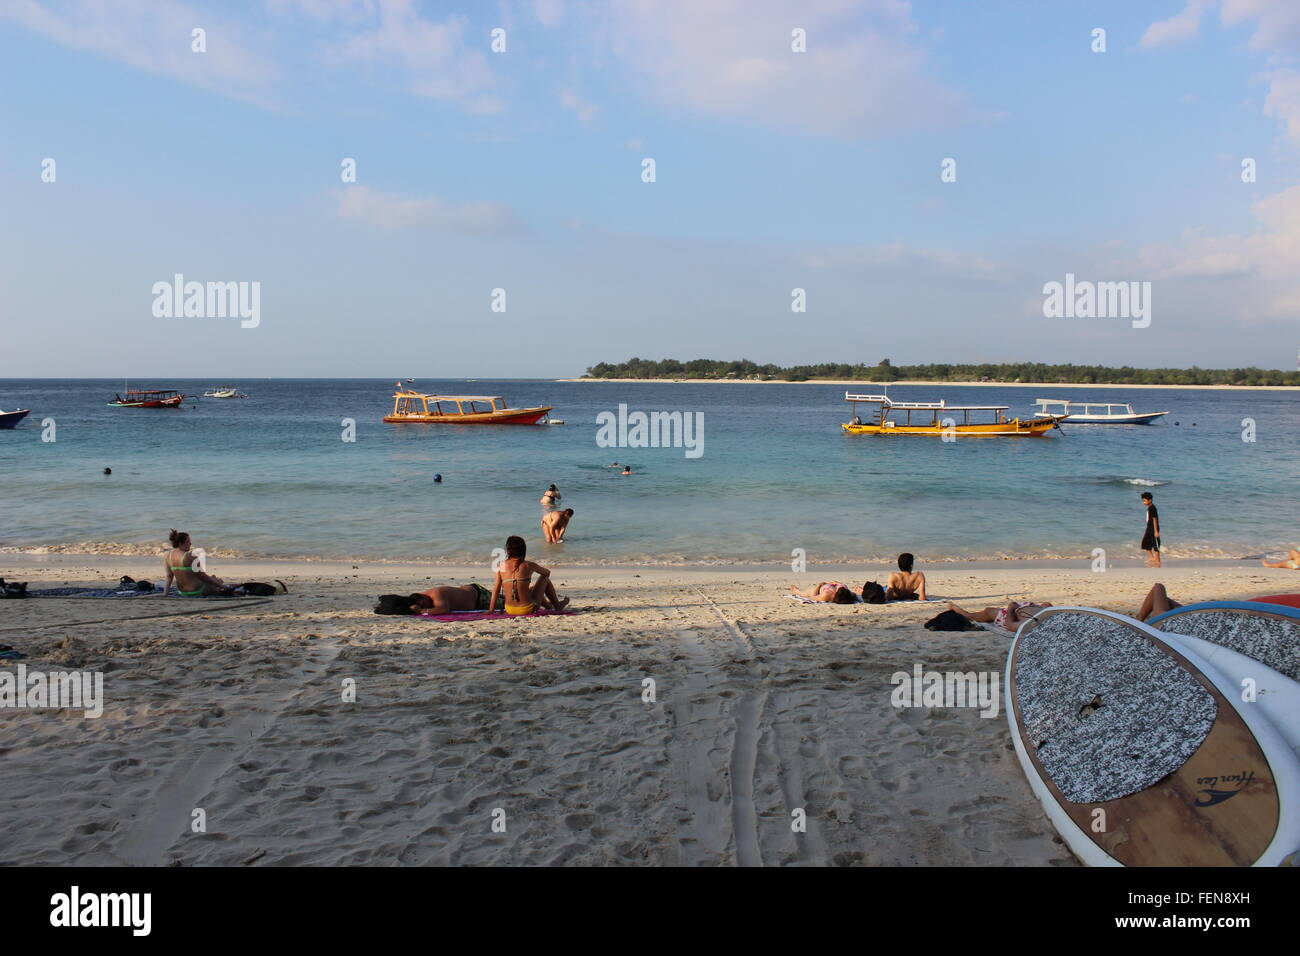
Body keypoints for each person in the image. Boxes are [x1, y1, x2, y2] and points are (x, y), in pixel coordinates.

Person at [489, 536, 569, 616]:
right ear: (523, 550)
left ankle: (548, 605)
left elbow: (496, 589)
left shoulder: (501, 565)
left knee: (531, 589)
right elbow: (547, 573)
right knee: (545, 579)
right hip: (527, 609)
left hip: (509, 609)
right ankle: (557, 605)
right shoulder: (529, 565)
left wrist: (491, 610)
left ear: (508, 550)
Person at [161, 529, 231, 597]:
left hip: (182, 592)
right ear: (180, 543)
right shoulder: (190, 556)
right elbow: (202, 576)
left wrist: (165, 593)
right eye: (188, 541)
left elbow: (169, 576)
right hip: (198, 591)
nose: (190, 543)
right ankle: (221, 586)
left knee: (213, 579)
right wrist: (221, 585)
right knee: (217, 580)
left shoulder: (167, 555)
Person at [947, 599, 1051, 630]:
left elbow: (1009, 624)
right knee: (987, 612)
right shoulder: (1050, 615)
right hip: (1026, 608)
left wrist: (1011, 608)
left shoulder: (1028, 622)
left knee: (985, 612)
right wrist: (1045, 606)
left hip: (1007, 614)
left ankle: (959, 611)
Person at [408, 583, 503, 614]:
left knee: (505, 602)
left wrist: (421, 610)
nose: (428, 606)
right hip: (472, 595)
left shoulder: (436, 594)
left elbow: (443, 609)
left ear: (424, 597)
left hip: (479, 596)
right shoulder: (420, 597)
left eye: (425, 604)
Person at [1140, 491, 1161, 568]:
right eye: (1143, 500)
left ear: (1150, 500)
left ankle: (1157, 560)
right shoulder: (1149, 508)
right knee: (1145, 543)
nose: (1143, 502)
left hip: (1153, 528)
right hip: (1149, 528)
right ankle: (1152, 558)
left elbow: (1155, 519)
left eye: (1144, 500)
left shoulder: (1152, 508)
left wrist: (1156, 531)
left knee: (1155, 544)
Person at [790, 581, 857, 603]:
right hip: (828, 586)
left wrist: (819, 586)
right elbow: (812, 597)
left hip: (832, 585)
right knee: (809, 593)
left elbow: (812, 597)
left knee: (807, 594)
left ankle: (797, 591)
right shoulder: (827, 595)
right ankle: (797, 591)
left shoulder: (844, 589)